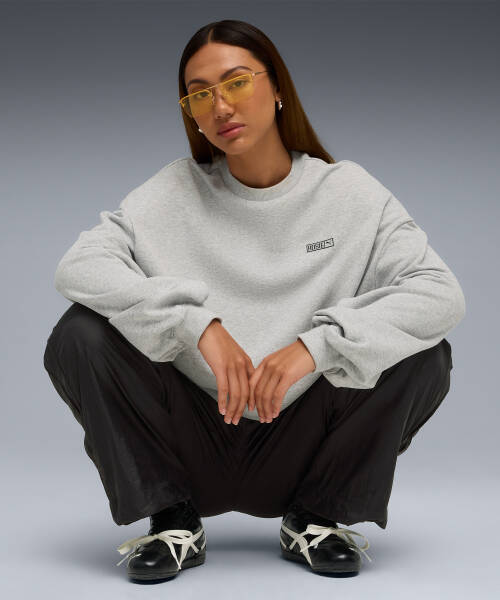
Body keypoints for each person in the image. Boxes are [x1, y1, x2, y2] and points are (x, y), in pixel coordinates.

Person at [43, 19, 465, 581]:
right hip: (189, 440)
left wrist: (315, 347)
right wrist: (197, 325)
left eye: (237, 82)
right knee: (80, 333)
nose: (220, 106)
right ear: (190, 112)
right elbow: (78, 266)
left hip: (305, 445)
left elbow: (439, 292)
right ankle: (171, 520)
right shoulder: (172, 191)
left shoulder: (349, 193)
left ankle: (316, 518)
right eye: (199, 94)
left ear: (278, 87)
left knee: (423, 351)